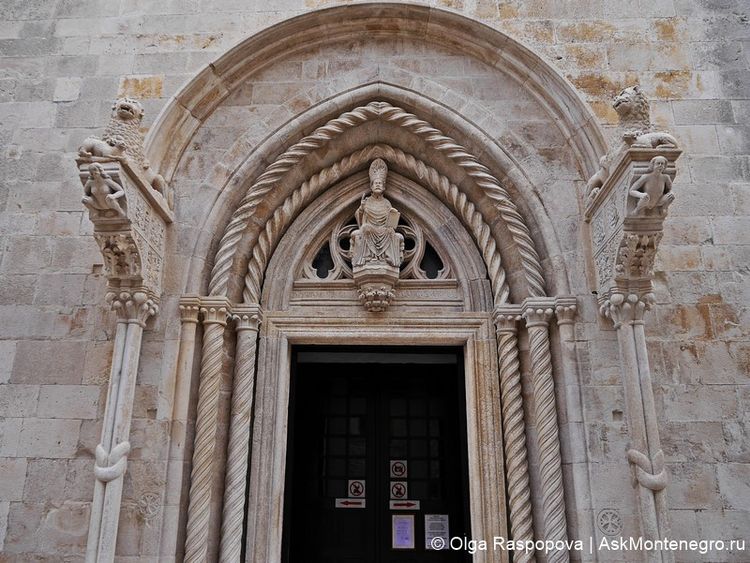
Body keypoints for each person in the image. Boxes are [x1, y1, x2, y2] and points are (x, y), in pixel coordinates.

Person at [350, 159, 404, 268]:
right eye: (376, 183)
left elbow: (390, 223)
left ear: (384, 186)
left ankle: (387, 257)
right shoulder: (367, 201)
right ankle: (367, 257)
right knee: (365, 228)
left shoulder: (386, 203)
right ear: (371, 186)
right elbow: (360, 220)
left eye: (380, 183)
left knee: (390, 231)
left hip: (383, 229)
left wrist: (392, 215)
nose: (378, 185)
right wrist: (361, 208)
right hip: (370, 228)